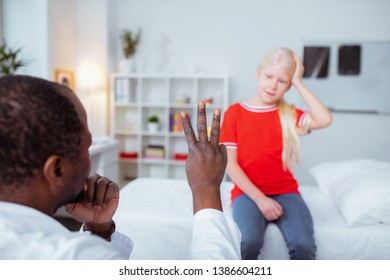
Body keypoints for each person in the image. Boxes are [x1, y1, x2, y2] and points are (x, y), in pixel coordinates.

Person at [0, 75, 240, 260]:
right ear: (57, 170)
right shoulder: (68, 257)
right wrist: (205, 189)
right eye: (86, 147)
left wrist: (99, 231)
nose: (89, 157)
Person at [220, 47, 333, 260]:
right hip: (247, 194)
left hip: (285, 192)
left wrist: (299, 82)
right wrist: (261, 199)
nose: (273, 85)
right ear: (258, 74)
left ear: (288, 86)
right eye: (269, 76)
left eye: (282, 81)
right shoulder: (235, 113)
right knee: (247, 242)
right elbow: (230, 164)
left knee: (303, 245)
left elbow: (324, 119)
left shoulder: (289, 115)